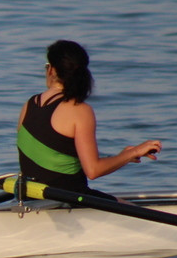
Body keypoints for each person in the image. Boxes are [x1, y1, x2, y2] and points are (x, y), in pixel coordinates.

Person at [17, 39, 161, 199]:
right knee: (132, 212)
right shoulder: (79, 110)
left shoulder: (28, 105)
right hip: (68, 200)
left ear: (52, 70)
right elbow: (93, 170)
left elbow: (55, 157)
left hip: (30, 199)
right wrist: (132, 153)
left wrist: (122, 157)